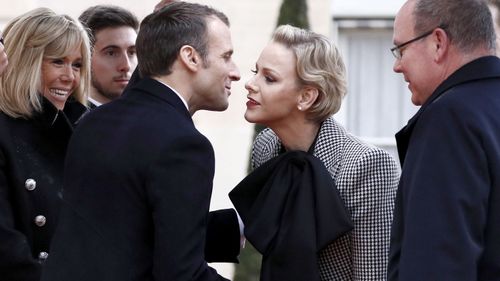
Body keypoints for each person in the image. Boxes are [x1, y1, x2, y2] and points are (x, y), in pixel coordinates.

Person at [41, 2, 241, 281]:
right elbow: (182, 274)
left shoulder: (94, 123)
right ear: (190, 57)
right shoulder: (183, 144)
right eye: (226, 56)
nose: (235, 72)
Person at [239, 24, 400, 280]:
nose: (250, 84)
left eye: (269, 78)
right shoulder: (265, 147)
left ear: (307, 97)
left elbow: (373, 275)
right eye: (255, 72)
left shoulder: (367, 166)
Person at [388, 0, 500, 280]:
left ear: (438, 42)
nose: (397, 66)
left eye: (401, 49)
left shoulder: (449, 119)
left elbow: (437, 264)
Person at [0, 7, 90, 281]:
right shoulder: (3, 133)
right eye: (57, 62)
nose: (70, 77)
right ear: (24, 62)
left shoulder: (82, 134)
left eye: (76, 65)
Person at [78, 5, 139, 108]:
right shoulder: (64, 121)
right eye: (111, 53)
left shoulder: (151, 115)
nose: (126, 66)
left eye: (132, 52)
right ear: (83, 58)